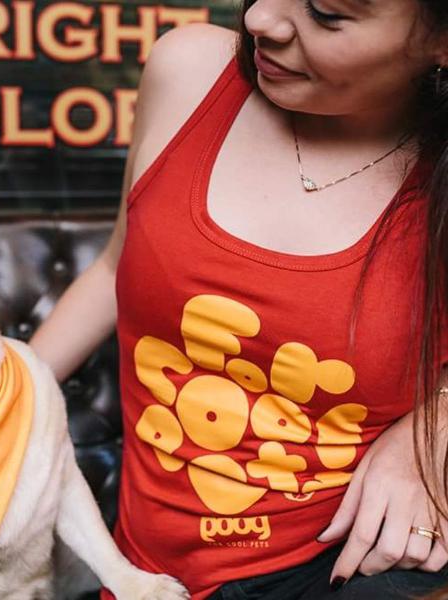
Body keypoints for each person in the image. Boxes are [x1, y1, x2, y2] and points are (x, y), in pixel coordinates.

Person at [30, 0, 448, 598]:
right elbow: (112, 269)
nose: (263, 21)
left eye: (327, 13)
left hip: (355, 565)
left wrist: (429, 432)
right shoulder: (191, 70)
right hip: (147, 573)